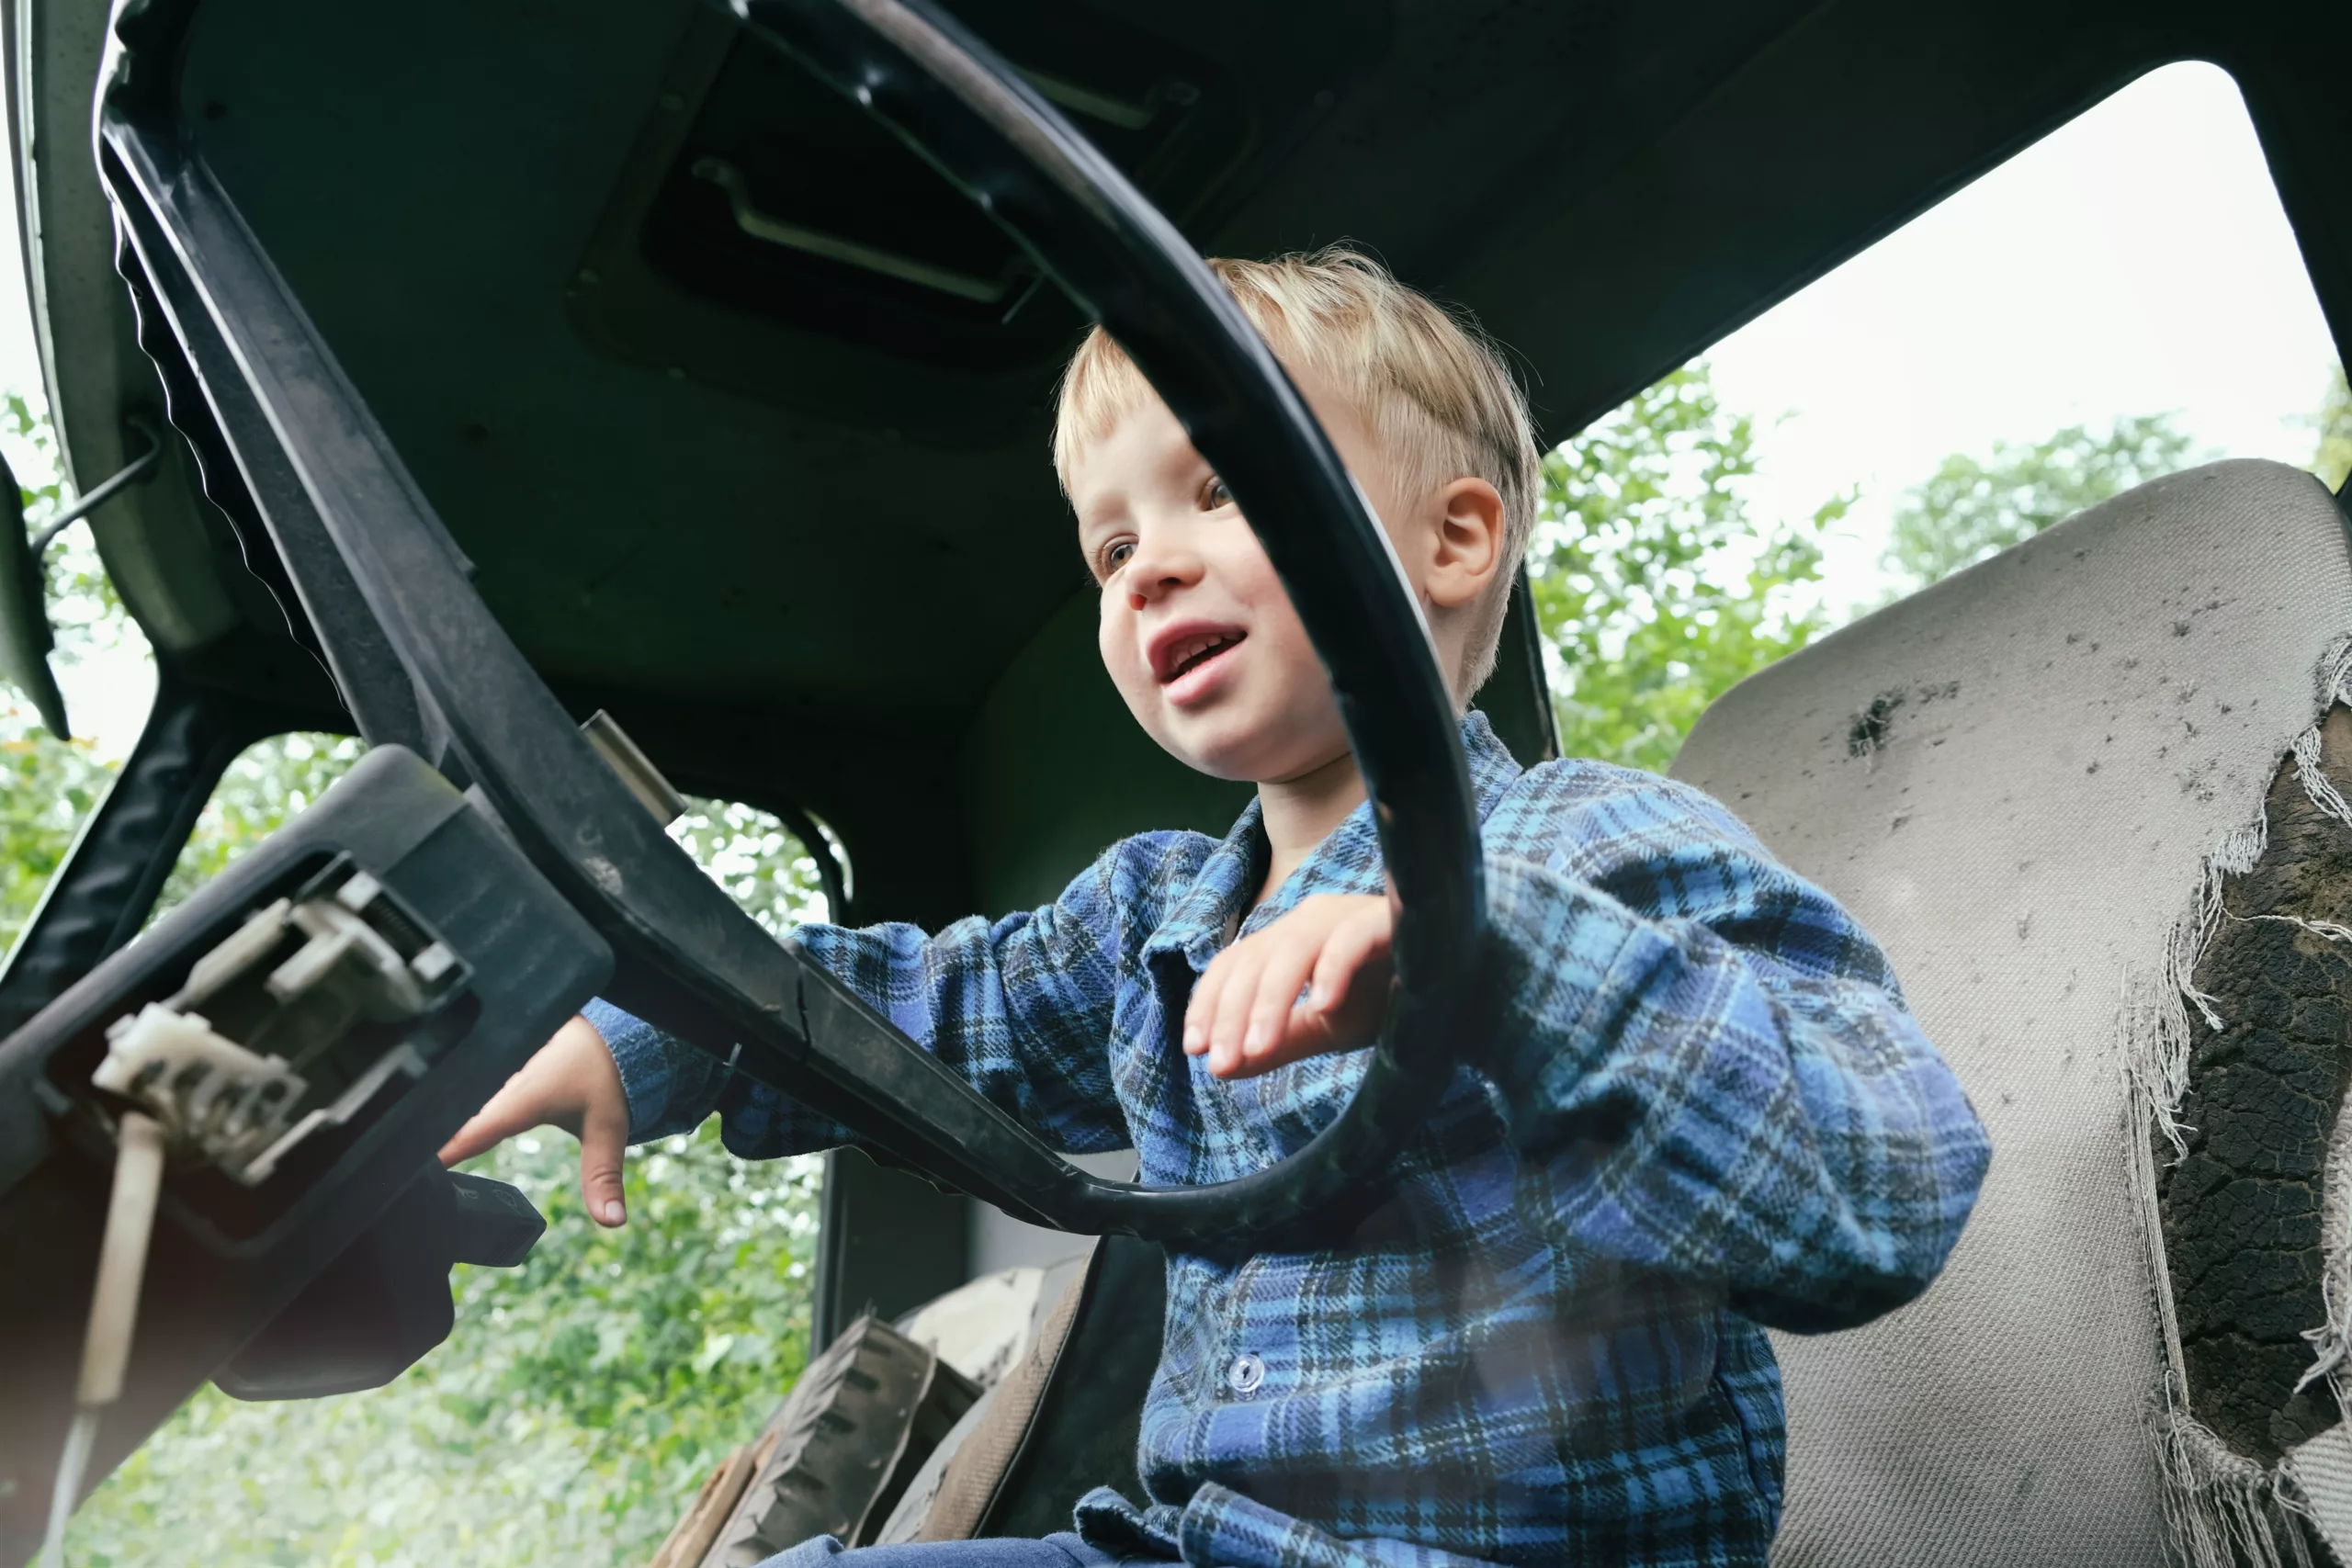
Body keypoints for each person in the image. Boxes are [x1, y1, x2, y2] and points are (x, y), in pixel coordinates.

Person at [440, 247, 1991, 1568]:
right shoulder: (1155, 919)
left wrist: (1486, 955)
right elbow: (901, 1011)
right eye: (1111, 544)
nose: (1146, 571)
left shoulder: (1607, 852)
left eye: (1218, 493)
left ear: (1456, 539)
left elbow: (1885, 1188)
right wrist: (645, 1025)